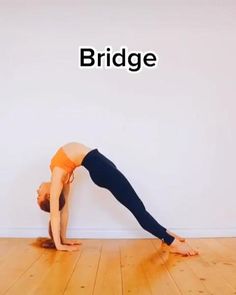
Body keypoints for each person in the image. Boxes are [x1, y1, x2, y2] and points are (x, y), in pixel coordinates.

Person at [37, 142, 199, 256]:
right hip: (101, 168)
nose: (37, 191)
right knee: (138, 209)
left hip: (100, 166)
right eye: (39, 195)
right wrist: (59, 245)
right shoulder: (58, 175)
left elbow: (64, 210)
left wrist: (64, 239)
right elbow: (56, 214)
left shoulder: (62, 178)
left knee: (138, 207)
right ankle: (173, 243)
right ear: (50, 195)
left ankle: (165, 234)